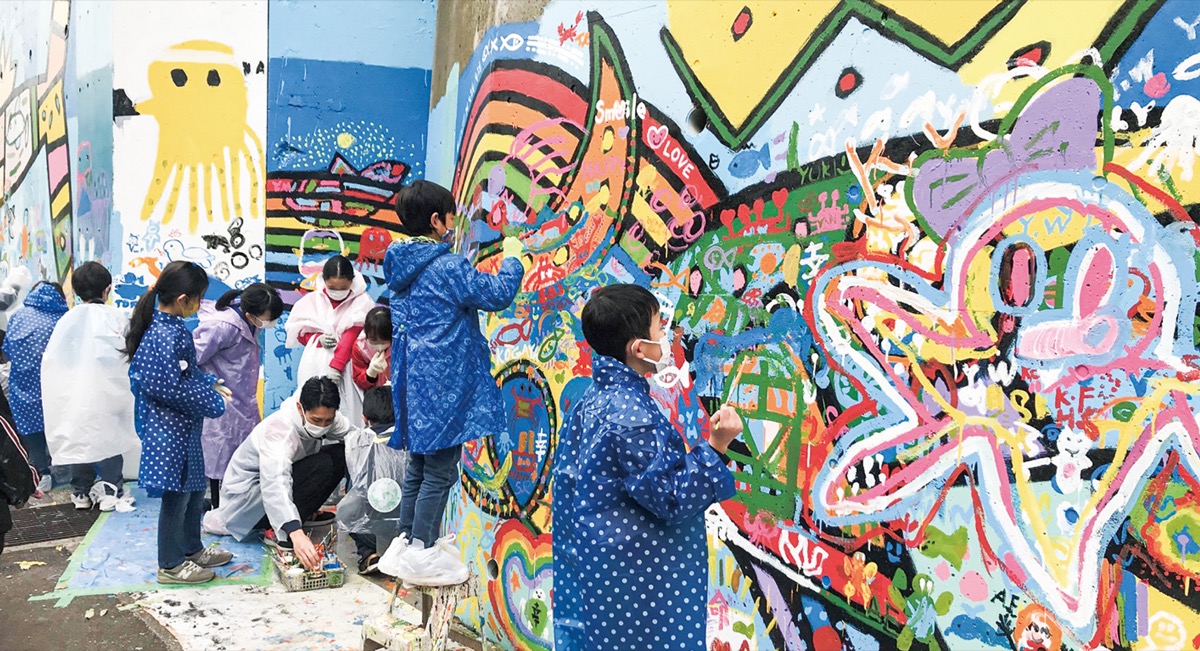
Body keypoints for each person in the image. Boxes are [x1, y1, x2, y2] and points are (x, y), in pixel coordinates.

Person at [551, 284, 743, 651]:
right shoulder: (631, 415)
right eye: (659, 329)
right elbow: (671, 498)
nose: (667, 338)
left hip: (604, 575)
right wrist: (716, 446)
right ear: (639, 348)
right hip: (641, 584)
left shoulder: (592, 402)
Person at [382, 180, 524, 586]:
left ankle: (407, 541)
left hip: (413, 382)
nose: (453, 223)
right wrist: (513, 260)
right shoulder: (447, 266)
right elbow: (496, 294)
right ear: (436, 220)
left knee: (420, 466)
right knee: (440, 471)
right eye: (450, 215)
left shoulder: (400, 268)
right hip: (444, 383)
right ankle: (423, 551)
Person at [124, 261, 233, 585]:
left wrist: (209, 383)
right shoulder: (161, 334)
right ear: (184, 299)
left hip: (183, 428)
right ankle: (170, 564)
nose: (200, 305)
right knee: (176, 497)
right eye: (199, 298)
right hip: (167, 430)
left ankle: (191, 547)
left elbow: (186, 374)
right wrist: (211, 401)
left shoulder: (171, 329)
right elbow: (167, 387)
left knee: (193, 489)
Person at [202, 377, 350, 571]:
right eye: (316, 420)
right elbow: (275, 484)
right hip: (248, 502)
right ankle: (282, 531)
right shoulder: (279, 431)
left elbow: (352, 436)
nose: (322, 426)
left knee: (341, 453)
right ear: (300, 408)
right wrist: (295, 532)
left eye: (327, 421)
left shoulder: (328, 417)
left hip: (277, 487)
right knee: (320, 465)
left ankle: (300, 516)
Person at [42, 262, 139, 511]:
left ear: (75, 292)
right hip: (111, 394)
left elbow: (54, 361)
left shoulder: (66, 321)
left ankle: (81, 492)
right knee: (111, 438)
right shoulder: (117, 318)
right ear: (108, 290)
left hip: (77, 393)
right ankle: (111, 487)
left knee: (81, 438)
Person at [194, 283, 283, 508]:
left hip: (243, 398)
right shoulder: (221, 327)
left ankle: (228, 503)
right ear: (249, 313)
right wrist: (207, 383)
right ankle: (214, 503)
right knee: (218, 454)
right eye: (265, 320)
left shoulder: (251, 322)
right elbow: (191, 358)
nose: (267, 324)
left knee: (241, 453)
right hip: (221, 398)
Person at [285, 255, 376, 424]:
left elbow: (353, 334)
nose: (337, 292)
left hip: (347, 369)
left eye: (343, 287)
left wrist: (336, 368)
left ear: (352, 281)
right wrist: (317, 338)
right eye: (332, 287)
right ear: (324, 280)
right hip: (314, 366)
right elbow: (299, 332)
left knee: (347, 414)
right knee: (313, 412)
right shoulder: (312, 301)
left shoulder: (362, 301)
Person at [3, 281, 69, 492]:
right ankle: (65, 472)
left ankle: (41, 474)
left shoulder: (18, 316)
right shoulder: (63, 318)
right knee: (61, 429)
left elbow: (8, 350)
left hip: (23, 388)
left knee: (33, 434)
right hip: (57, 388)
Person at [339, 385, 407, 575]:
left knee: (351, 501)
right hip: (407, 530)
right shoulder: (410, 438)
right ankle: (405, 552)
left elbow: (352, 487)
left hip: (369, 532)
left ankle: (369, 554)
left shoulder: (355, 441)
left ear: (364, 418)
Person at [349, 307, 391, 393]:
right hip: (375, 396)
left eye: (384, 340)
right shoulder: (360, 347)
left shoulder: (400, 345)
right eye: (373, 339)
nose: (379, 344)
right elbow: (358, 379)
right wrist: (370, 374)